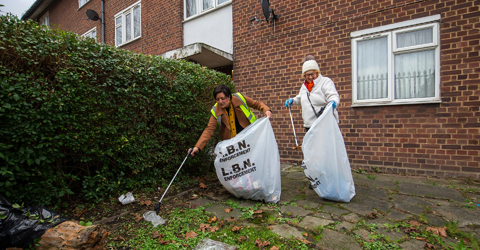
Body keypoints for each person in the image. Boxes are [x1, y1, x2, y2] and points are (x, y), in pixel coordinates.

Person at [189, 84, 272, 156]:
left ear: (229, 97)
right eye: (217, 99)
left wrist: (266, 110)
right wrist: (197, 147)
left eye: (222, 98)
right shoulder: (216, 111)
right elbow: (208, 130)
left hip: (249, 138)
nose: (220, 102)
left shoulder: (239, 98)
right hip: (232, 147)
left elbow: (256, 104)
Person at [284, 56, 340, 131]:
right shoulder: (304, 86)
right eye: (307, 75)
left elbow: (333, 95)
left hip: (324, 124)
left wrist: (333, 102)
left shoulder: (325, 82)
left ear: (317, 72)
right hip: (309, 125)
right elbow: (301, 98)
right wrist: (292, 101)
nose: (310, 77)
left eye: (312, 74)